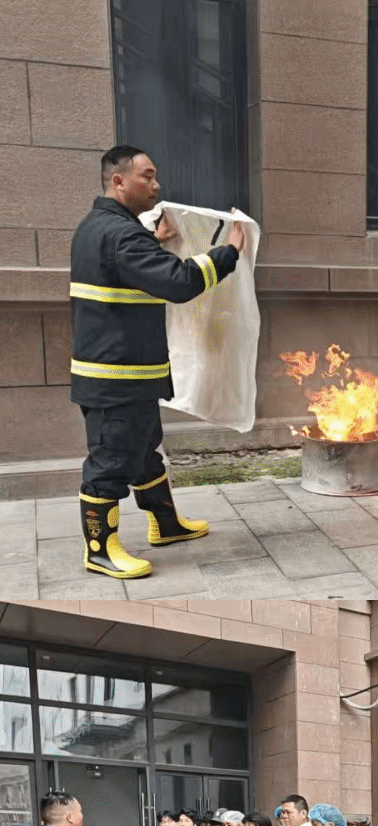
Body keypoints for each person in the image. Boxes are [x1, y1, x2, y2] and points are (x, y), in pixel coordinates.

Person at [71, 145, 243, 578]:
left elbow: (125, 266)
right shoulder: (122, 235)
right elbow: (179, 282)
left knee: (144, 453)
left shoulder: (101, 228)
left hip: (126, 376)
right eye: (147, 176)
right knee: (109, 464)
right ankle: (99, 551)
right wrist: (229, 251)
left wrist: (152, 240)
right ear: (119, 181)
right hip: (116, 380)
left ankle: (166, 525)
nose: (156, 185)